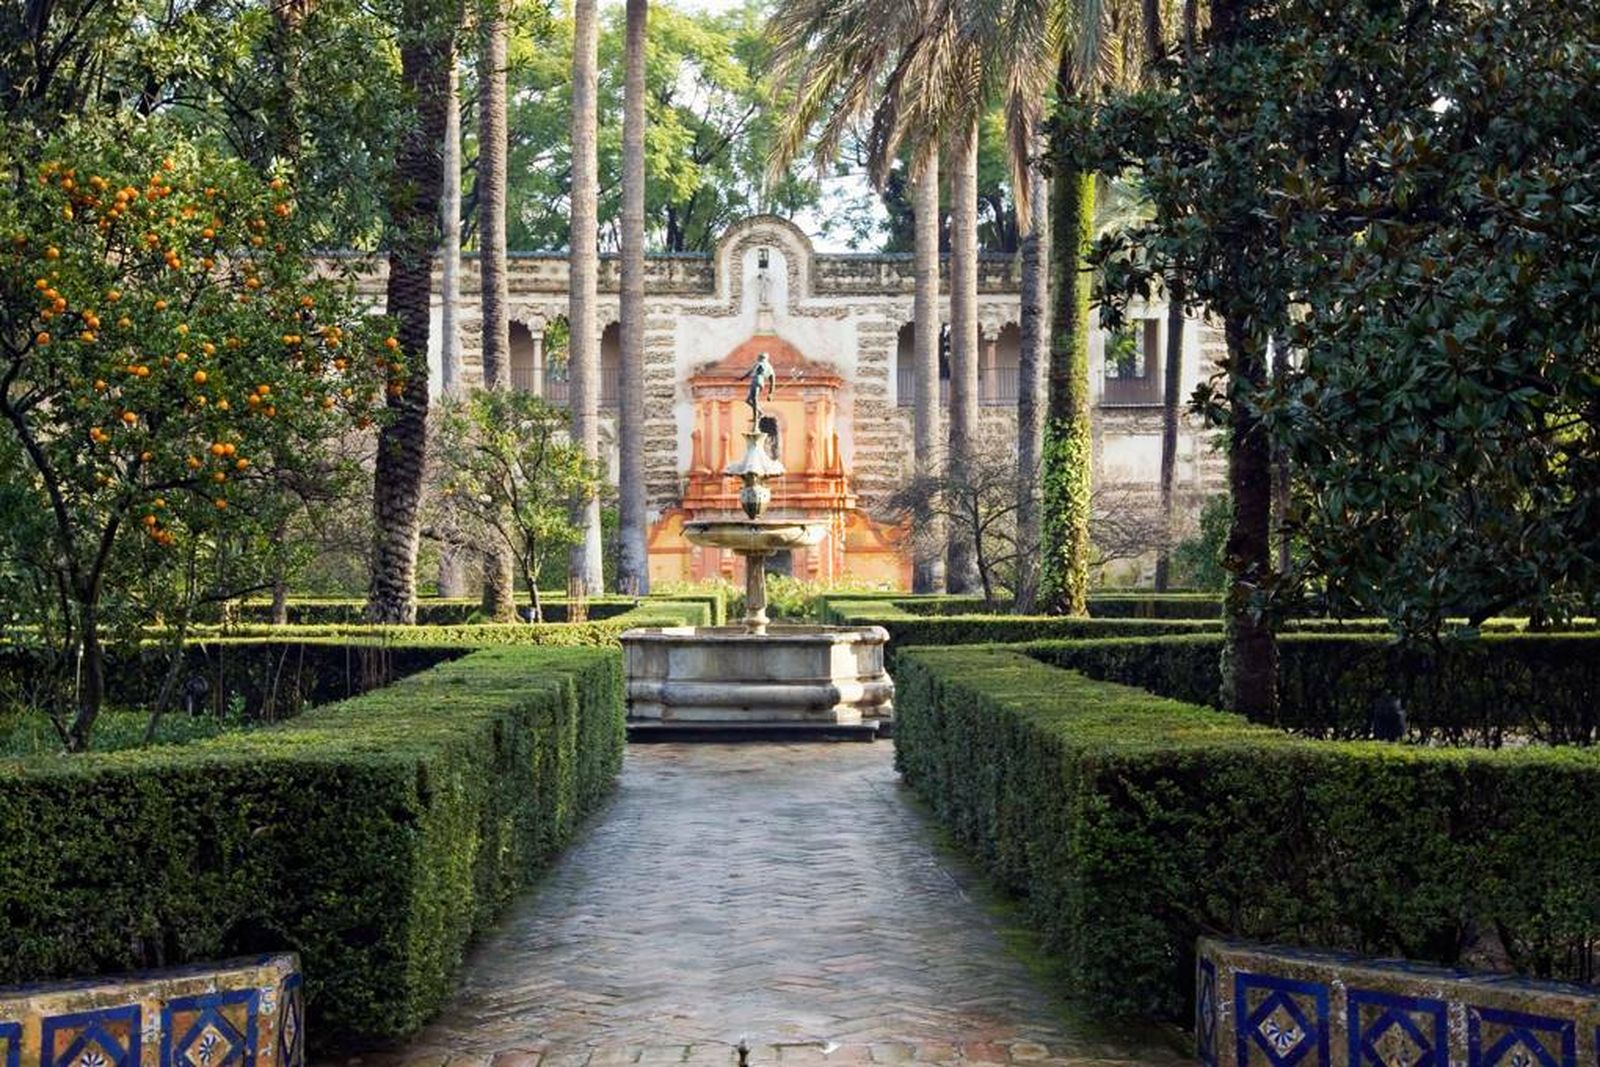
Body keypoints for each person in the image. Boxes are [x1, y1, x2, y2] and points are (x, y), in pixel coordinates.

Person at [740, 351, 775, 426]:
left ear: (760, 358)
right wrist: (770, 394)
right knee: (748, 400)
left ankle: (755, 417)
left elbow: (750, 372)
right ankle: (760, 413)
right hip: (761, 383)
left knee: (754, 400)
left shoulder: (759, 363)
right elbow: (772, 381)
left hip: (756, 381)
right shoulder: (769, 367)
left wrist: (742, 378)